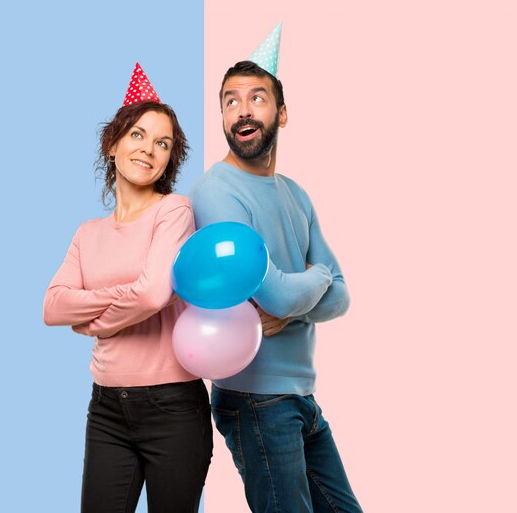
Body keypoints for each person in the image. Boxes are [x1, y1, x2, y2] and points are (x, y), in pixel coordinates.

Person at [189, 28, 362, 513]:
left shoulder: (297, 194)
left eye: (257, 98)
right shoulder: (217, 192)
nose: (242, 110)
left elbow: (341, 296)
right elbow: (291, 294)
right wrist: (318, 277)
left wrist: (297, 301)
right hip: (255, 399)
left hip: (302, 397)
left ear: (281, 113)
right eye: (230, 101)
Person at [43, 63, 213, 513]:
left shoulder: (174, 211)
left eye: (163, 143)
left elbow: (154, 294)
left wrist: (91, 322)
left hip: (173, 408)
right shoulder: (86, 232)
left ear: (169, 159)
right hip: (106, 410)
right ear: (113, 143)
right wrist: (114, 306)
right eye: (138, 135)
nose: (149, 150)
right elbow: (52, 306)